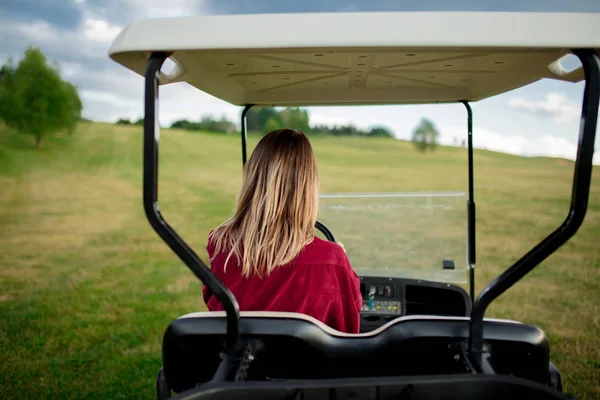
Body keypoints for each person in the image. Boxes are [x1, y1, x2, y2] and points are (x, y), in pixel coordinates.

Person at [202, 128, 362, 334]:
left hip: (241, 366)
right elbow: (347, 326)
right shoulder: (332, 260)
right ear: (308, 186)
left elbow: (216, 310)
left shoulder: (222, 247)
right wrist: (338, 259)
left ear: (252, 178)